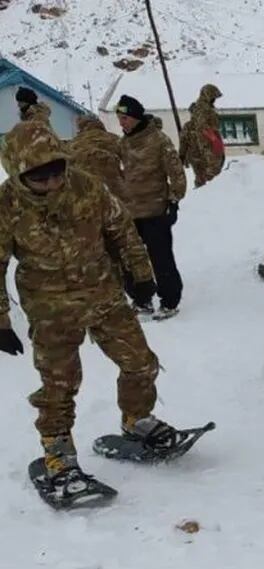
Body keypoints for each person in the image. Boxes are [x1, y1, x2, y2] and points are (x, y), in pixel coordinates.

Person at [0, 121, 191, 503]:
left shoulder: (85, 185)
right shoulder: (6, 205)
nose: (53, 183)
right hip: (49, 305)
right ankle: (58, 453)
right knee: (60, 384)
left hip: (103, 292)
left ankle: (137, 420)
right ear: (18, 172)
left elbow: (121, 229)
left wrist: (140, 275)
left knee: (141, 362)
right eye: (40, 177)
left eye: (57, 171)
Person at [116, 95, 187, 320]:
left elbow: (177, 174)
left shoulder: (159, 140)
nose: (122, 122)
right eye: (119, 118)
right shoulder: (123, 143)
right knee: (130, 259)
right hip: (130, 213)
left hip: (156, 212)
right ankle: (142, 298)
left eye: (125, 118)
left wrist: (173, 202)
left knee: (161, 258)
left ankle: (169, 301)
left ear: (137, 118)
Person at [179, 84, 225, 188]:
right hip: (204, 154)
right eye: (213, 97)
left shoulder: (205, 112)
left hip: (202, 154)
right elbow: (204, 133)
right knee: (210, 181)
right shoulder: (203, 111)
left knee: (205, 180)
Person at [68, 114, 124, 199]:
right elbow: (129, 162)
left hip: (86, 193)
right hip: (114, 191)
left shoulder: (73, 143)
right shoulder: (113, 138)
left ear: (80, 126)